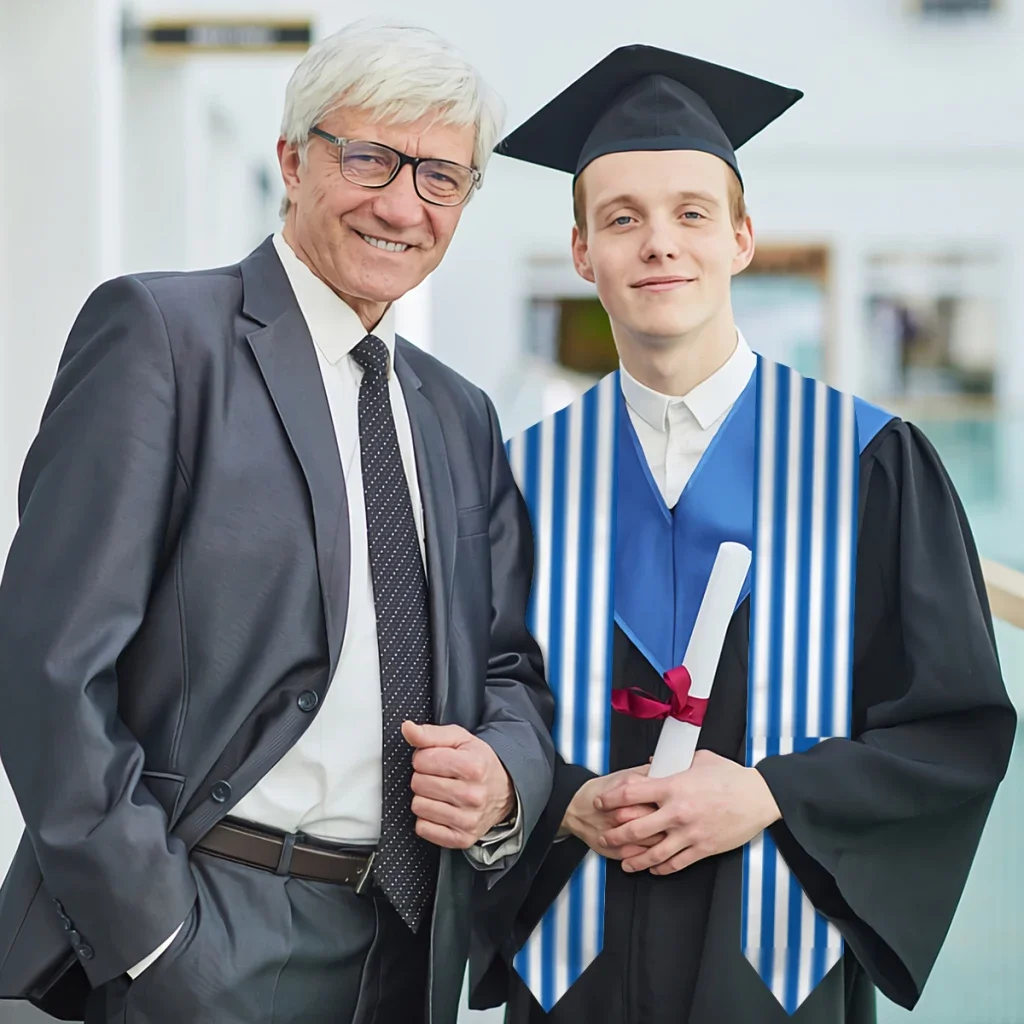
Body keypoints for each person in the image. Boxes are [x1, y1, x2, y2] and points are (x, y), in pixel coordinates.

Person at [0, 19, 555, 1024]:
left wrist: (505, 778)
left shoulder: (458, 413)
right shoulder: (164, 340)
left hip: (403, 942)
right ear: (292, 160)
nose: (401, 204)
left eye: (441, 176)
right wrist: (153, 937)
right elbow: (49, 665)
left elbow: (509, 664)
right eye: (370, 157)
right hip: (204, 927)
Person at [468, 44, 1016, 1024]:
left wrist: (770, 795)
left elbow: (951, 728)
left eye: (690, 212)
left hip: (778, 966)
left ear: (742, 238)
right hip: (572, 973)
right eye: (621, 218)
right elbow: (470, 713)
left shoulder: (870, 463)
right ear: (582, 251)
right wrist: (560, 800)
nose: (658, 243)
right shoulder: (518, 478)